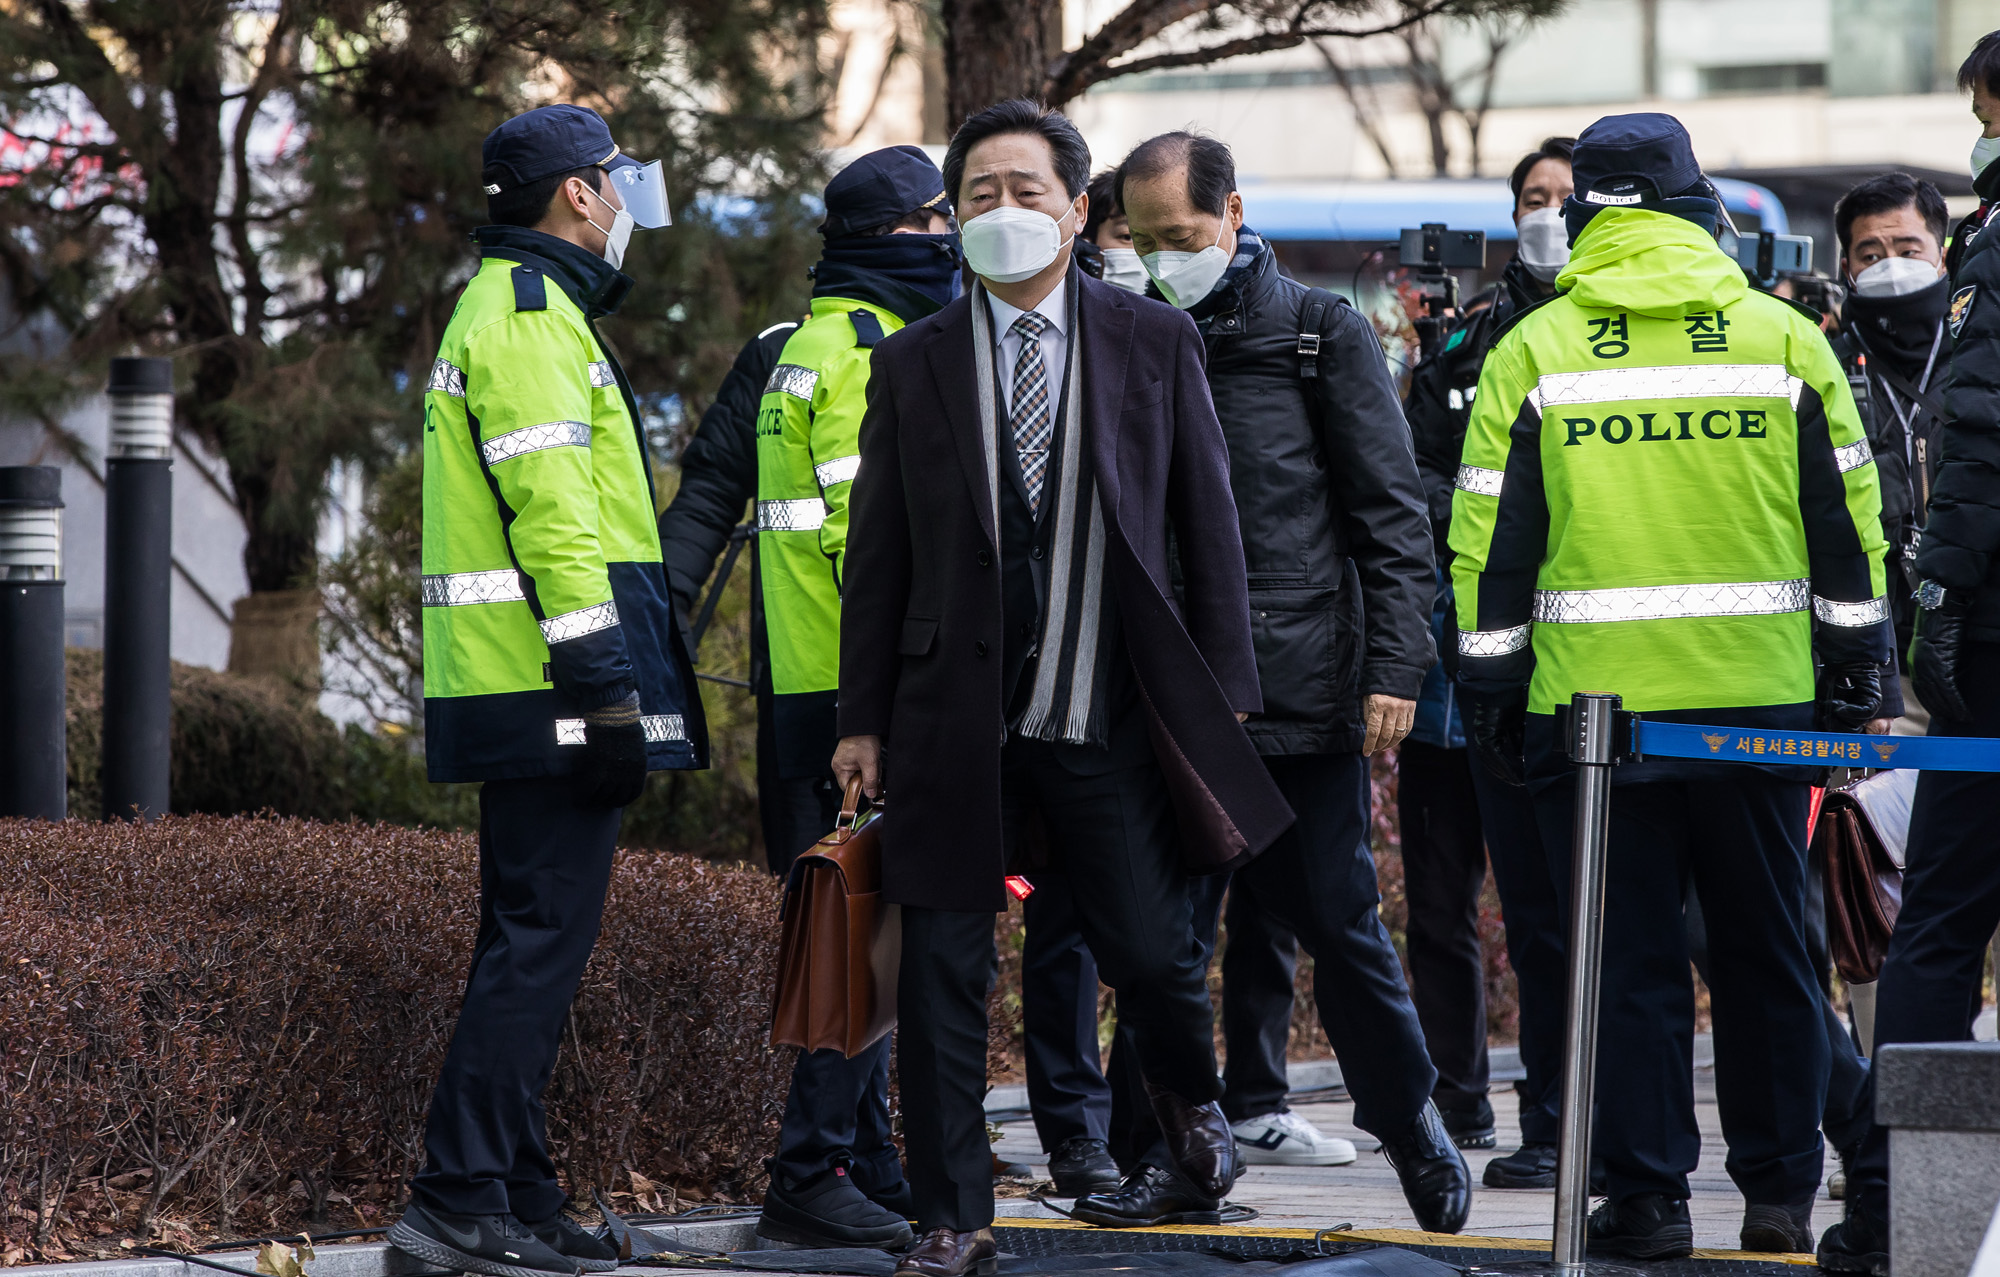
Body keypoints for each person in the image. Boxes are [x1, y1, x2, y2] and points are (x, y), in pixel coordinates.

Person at [834, 99, 1291, 1277]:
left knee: (1147, 949)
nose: (1002, 211)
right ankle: (952, 1215)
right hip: (950, 722)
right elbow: (877, 555)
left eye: (1024, 190)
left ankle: (1189, 1109)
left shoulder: (1151, 341)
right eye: (977, 193)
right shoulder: (912, 360)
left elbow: (1208, 523)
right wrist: (861, 721)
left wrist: (1224, 694)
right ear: (953, 218)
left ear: (1074, 209)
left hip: (1107, 707)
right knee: (941, 971)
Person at [1453, 113, 1888, 1261]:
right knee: (1767, 950)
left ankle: (1645, 1199)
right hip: (1758, 705)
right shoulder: (1781, 340)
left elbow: (1488, 549)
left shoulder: (1531, 353)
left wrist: (1491, 694)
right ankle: (1781, 1192)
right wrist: (1854, 673)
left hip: (1588, 716)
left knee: (1622, 961)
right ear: (1697, 205)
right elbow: (1846, 530)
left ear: (1584, 209)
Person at [1110, 130, 1470, 1234]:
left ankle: (1410, 1122)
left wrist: (1393, 667)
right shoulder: (1115, 338)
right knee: (1153, 942)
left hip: (1293, 686)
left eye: (1182, 236)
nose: (1166, 258)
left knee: (1337, 922)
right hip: (1152, 693)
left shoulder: (1317, 334)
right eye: (1143, 239)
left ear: (1230, 214)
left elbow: (1388, 516)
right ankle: (1166, 1154)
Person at [391, 103, 703, 1277]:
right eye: (619, 184)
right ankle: (456, 1194)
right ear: (578, 193)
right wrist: (605, 682)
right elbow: (558, 520)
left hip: (521, 682)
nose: (627, 206)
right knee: (536, 947)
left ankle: (515, 1194)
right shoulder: (527, 318)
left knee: (523, 942)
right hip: (548, 685)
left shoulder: (523, 308)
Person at [748, 145, 965, 1251]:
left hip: (810, 688)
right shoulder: (871, 351)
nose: (952, 238)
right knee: (860, 937)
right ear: (895, 237)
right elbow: (866, 539)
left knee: (859, 925)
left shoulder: (810, 342)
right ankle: (810, 1167)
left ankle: (864, 1159)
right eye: (938, 220)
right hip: (858, 705)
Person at [1820, 32, 2000, 1275]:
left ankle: (1899, 1215)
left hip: (1988, 658)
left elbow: (1978, 455)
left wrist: (1937, 606)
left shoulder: (1992, 262)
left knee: (1935, 929)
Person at [1401, 138, 1577, 1184]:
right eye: (1530, 198)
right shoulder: (1462, 340)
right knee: (1436, 899)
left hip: (1553, 667)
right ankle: (1450, 1098)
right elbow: (1409, 472)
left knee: (1547, 907)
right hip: (1445, 664)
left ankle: (1555, 1111)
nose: (1545, 213)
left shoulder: (1604, 341)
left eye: (1562, 197)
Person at [1831, 173, 1952, 705]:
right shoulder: (1824, 363)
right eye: (1870, 253)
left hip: (1972, 632)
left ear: (1942, 255)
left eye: (1908, 248)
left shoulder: (1979, 355)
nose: (1891, 265)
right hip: (1877, 649)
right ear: (1847, 269)